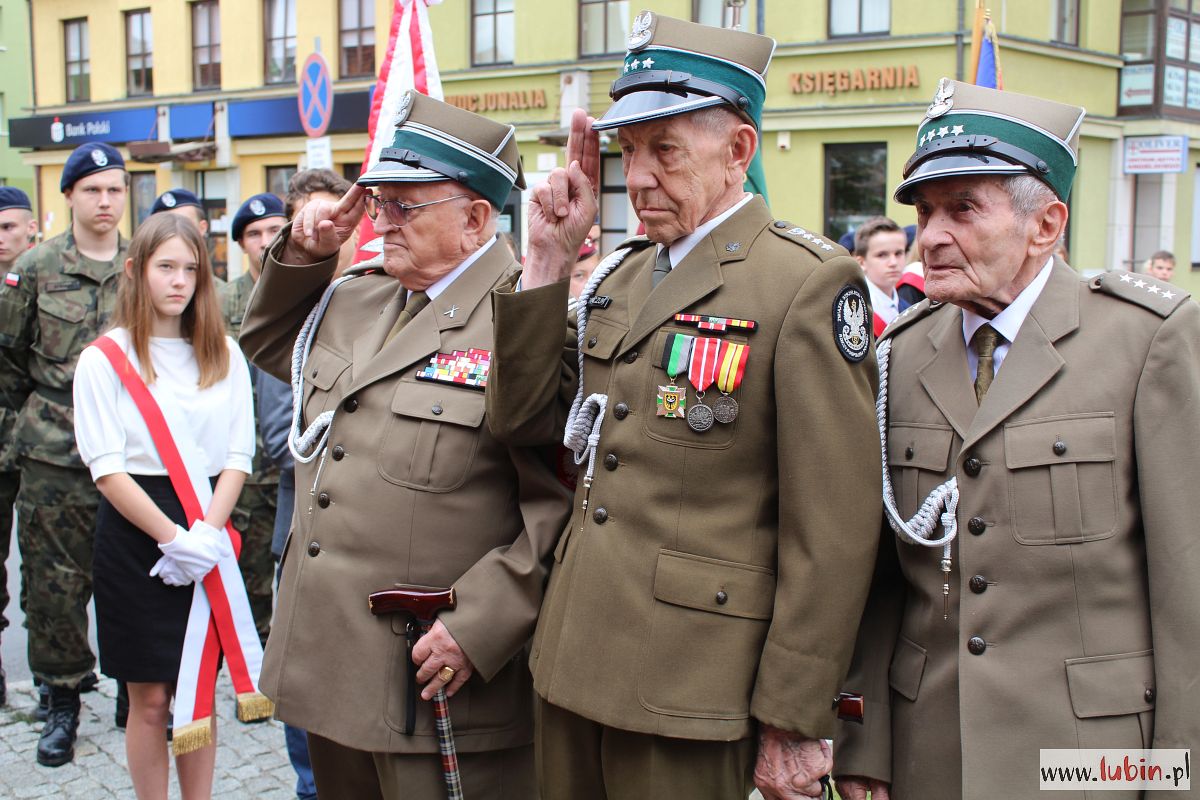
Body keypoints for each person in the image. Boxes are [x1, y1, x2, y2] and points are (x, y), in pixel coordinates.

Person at [484, 13, 883, 799]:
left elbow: (831, 531)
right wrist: (547, 261)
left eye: (664, 150)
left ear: (738, 152)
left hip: (693, 686)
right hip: (572, 661)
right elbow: (525, 421)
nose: (636, 179)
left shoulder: (804, 283)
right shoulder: (621, 277)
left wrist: (794, 718)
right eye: (628, 151)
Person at [834, 79, 1200, 800]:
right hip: (927, 750)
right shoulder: (900, 354)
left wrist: (1176, 778)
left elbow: (1187, 592)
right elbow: (878, 579)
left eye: (964, 208)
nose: (931, 235)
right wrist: (864, 743)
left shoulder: (1143, 341)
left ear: (1045, 225)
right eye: (925, 210)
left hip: (1087, 760)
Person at [238, 90, 571, 799]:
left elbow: (563, 507)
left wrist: (481, 626)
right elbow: (270, 345)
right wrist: (304, 250)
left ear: (476, 218)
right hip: (332, 667)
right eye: (379, 200)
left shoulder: (526, 321)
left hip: (431, 673)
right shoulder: (360, 294)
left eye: (403, 205)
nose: (380, 220)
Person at [72, 212, 254, 800]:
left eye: (191, 270)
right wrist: (174, 540)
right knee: (148, 698)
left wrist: (203, 536)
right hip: (136, 532)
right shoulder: (103, 358)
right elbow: (106, 468)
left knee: (197, 689)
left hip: (208, 521)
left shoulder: (225, 353)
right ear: (135, 272)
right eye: (165, 267)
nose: (179, 281)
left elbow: (237, 457)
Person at [0, 142, 129, 765]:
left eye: (115, 190)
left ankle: (138, 685)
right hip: (55, 454)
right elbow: (8, 365)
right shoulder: (35, 268)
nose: (105, 202)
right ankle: (61, 699)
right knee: (54, 585)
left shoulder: (148, 262)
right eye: (93, 190)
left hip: (136, 451)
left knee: (135, 575)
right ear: (70, 195)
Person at [219, 193, 285, 642]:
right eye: (254, 234)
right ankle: (247, 659)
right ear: (242, 243)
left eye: (274, 230)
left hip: (295, 462)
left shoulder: (313, 291)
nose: (265, 241)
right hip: (241, 461)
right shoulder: (223, 302)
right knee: (248, 572)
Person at [0, 186, 37, 707]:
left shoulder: (41, 279)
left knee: (46, 576)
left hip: (37, 447)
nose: (0, 238)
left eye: (9, 226)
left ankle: (57, 686)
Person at [285, 169, 359, 278]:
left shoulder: (384, 292)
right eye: (306, 227)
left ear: (357, 230)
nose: (321, 242)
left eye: (333, 224)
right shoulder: (280, 293)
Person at [854, 216, 911, 336]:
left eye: (898, 253)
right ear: (861, 262)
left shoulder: (909, 309)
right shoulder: (855, 311)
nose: (893, 263)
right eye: (882, 255)